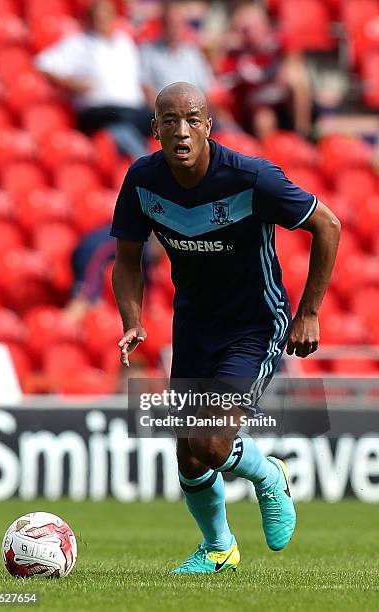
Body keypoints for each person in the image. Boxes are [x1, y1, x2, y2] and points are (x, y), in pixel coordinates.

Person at [111, 82, 340, 573]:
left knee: (212, 443)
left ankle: (269, 475)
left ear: (209, 126)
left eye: (192, 118)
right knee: (188, 455)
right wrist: (132, 318)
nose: (181, 130)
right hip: (192, 324)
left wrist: (310, 311)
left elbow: (329, 226)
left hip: (255, 323)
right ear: (155, 130)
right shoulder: (142, 181)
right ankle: (218, 549)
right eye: (169, 120)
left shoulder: (252, 178)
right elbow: (127, 257)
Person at [35, 0, 151, 158]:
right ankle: (145, 164)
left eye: (106, 16)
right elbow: (43, 63)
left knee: (163, 121)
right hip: (99, 109)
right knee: (119, 124)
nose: (102, 21)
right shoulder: (78, 42)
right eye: (97, 17)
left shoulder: (124, 42)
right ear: (89, 19)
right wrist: (71, 83)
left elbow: (140, 79)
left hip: (132, 110)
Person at [219, 1, 312, 138]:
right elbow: (225, 81)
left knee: (297, 77)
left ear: (264, 24)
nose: (250, 33)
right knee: (263, 119)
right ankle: (269, 153)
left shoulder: (277, 41)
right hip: (258, 102)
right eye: (244, 29)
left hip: (280, 93)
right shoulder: (236, 55)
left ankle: (303, 134)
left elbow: (295, 56)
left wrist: (286, 66)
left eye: (253, 27)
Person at [140, 0, 214, 109]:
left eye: (178, 24)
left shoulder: (192, 54)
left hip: (193, 112)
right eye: (170, 24)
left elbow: (205, 90)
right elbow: (146, 89)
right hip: (164, 114)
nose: (174, 29)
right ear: (163, 25)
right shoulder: (148, 52)